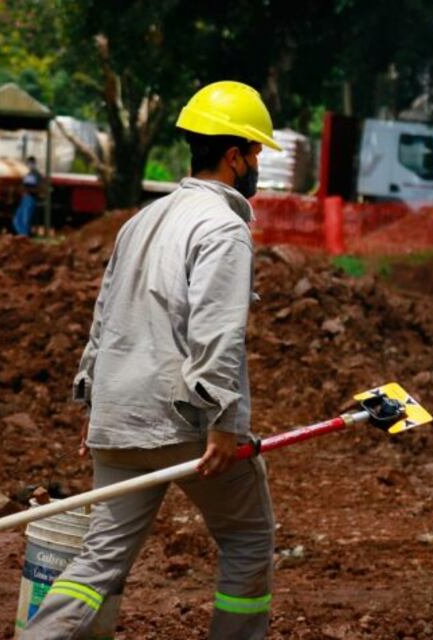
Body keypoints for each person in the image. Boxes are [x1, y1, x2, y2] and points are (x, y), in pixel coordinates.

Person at [22, 81, 283, 640]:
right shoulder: (223, 228)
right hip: (186, 422)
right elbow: (218, 332)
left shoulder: (140, 221)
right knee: (247, 539)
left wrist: (95, 405)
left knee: (100, 559)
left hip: (119, 416)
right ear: (234, 156)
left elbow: (105, 317)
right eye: (256, 152)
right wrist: (224, 423)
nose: (258, 165)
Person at [13, 156, 42, 237]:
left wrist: (26, 190)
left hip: (30, 198)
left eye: (30, 163)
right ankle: (22, 233)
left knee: (25, 217)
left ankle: (24, 234)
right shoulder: (29, 174)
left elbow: (34, 187)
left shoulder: (35, 175)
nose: (29, 165)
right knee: (17, 218)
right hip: (25, 198)